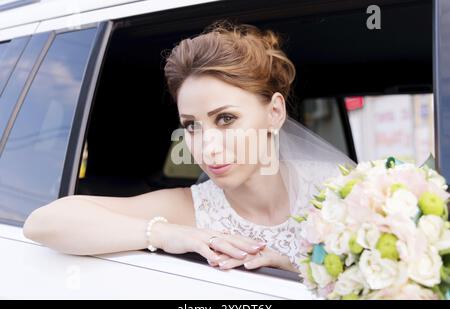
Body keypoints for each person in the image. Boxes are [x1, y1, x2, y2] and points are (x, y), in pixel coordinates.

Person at [23, 20, 353, 273]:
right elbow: (43, 222)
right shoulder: (191, 208)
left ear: (275, 112)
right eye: (191, 126)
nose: (207, 146)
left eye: (225, 119)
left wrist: (294, 267)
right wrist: (167, 234)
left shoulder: (340, 189)